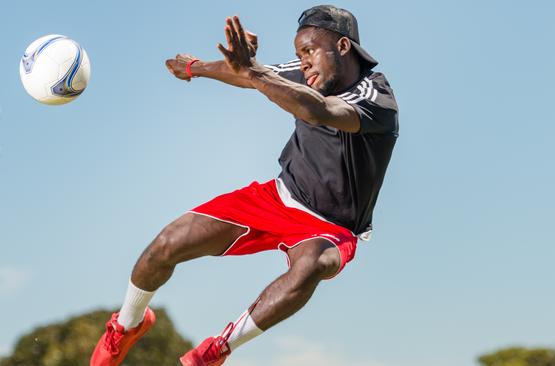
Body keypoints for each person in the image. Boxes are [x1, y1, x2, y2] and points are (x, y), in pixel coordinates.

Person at [90, 5, 398, 366]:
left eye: (310, 51)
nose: (303, 63)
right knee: (166, 244)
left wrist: (254, 71)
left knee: (316, 265)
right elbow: (249, 75)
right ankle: (125, 327)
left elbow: (319, 111)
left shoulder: (376, 99)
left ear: (343, 47)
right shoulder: (305, 73)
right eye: (299, 54)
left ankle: (217, 349)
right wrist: (195, 68)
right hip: (277, 197)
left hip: (330, 226)